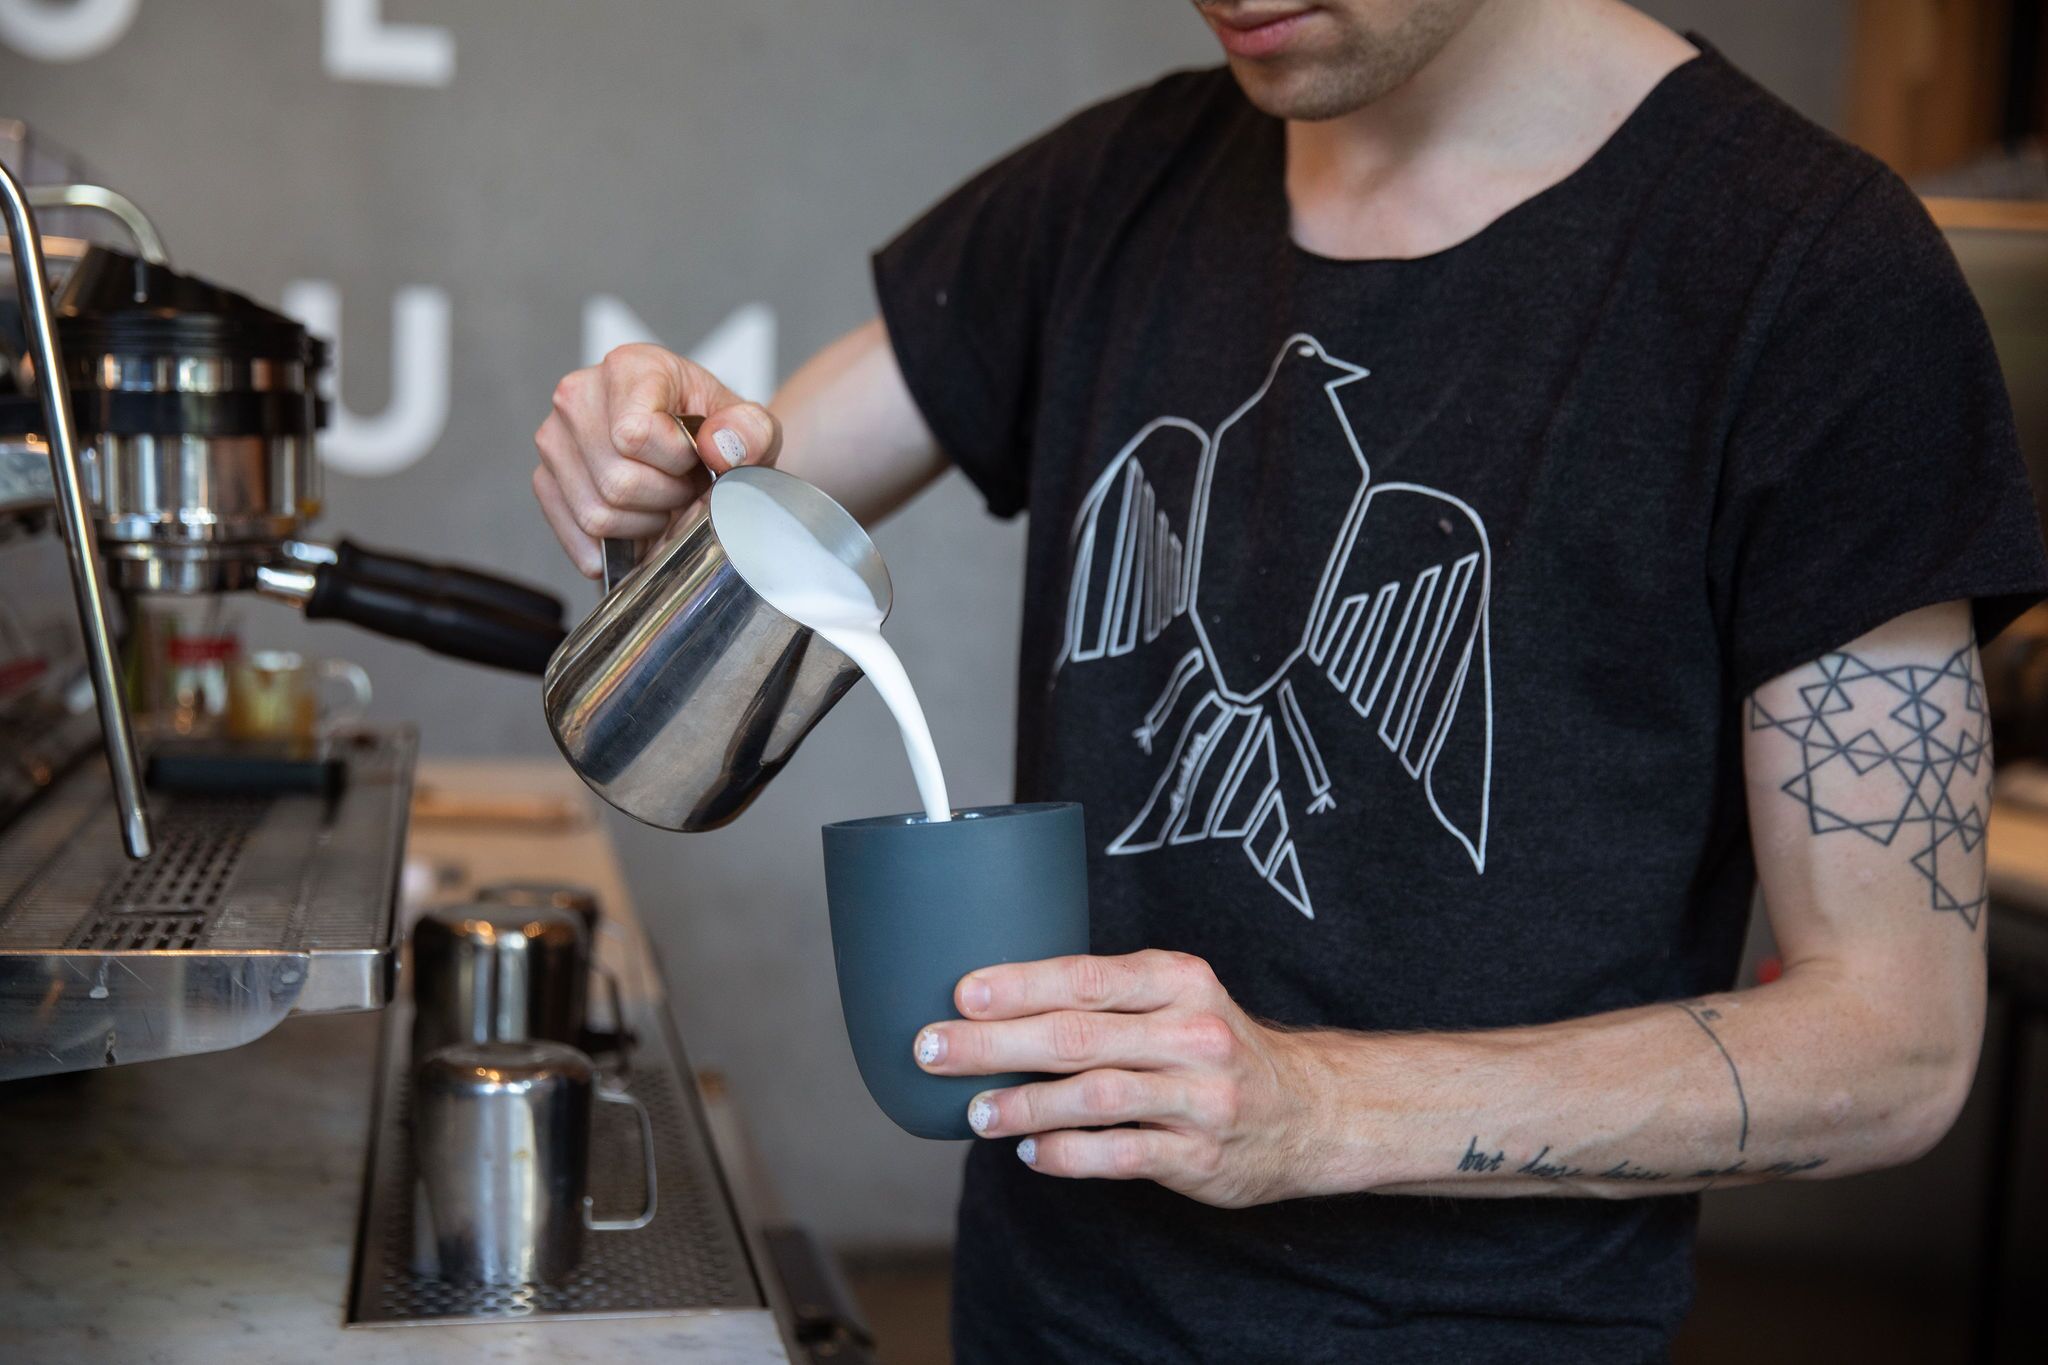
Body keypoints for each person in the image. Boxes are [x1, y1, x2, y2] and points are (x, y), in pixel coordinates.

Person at [533, 1, 2048, 1359]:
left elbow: (1895, 1045)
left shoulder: (1811, 277)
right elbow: (755, 497)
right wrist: (652, 461)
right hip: (1039, 1317)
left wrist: (1313, 1107)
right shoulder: (1113, 190)